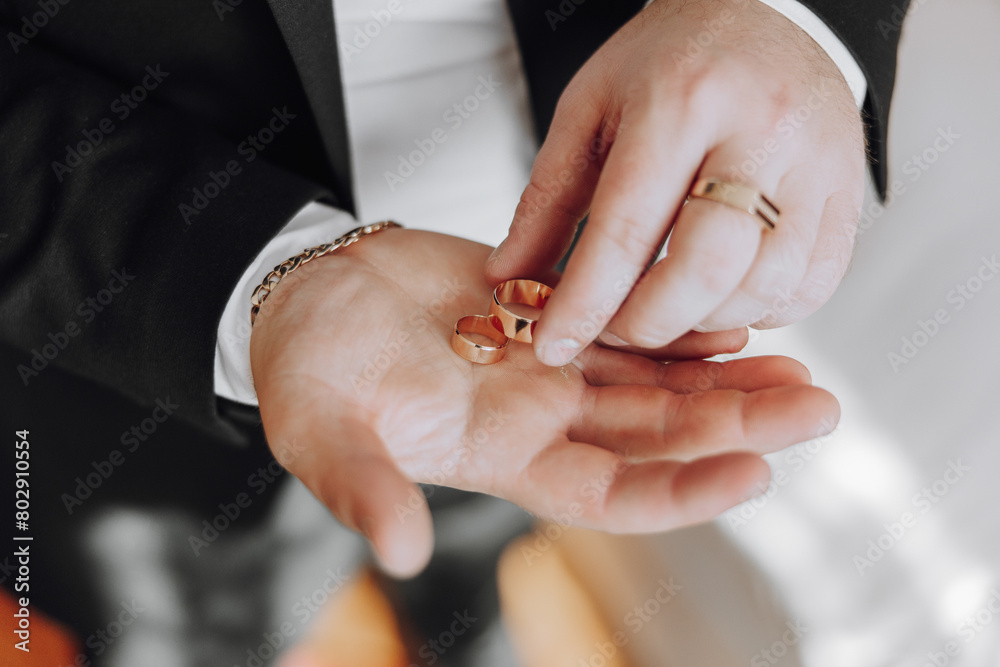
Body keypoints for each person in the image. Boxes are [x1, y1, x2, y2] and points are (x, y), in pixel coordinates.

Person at [0, 0, 905, 589]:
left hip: (576, 284)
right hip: (135, 321)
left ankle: (467, 610)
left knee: (501, 516)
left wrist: (791, 21)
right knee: (207, 602)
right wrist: (247, 275)